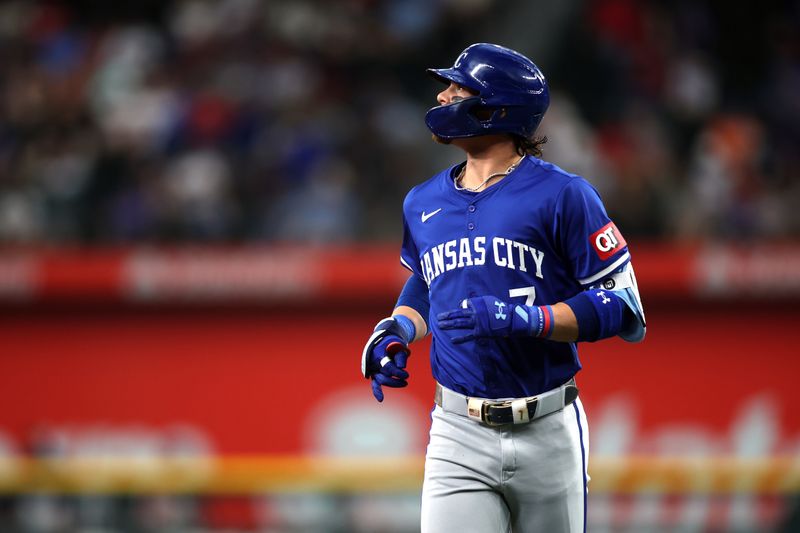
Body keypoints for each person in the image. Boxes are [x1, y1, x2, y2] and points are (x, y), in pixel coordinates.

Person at [360, 43, 646, 533]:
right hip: (457, 428)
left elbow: (621, 305)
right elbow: (428, 282)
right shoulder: (422, 201)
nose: (445, 95)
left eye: (459, 87)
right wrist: (396, 329)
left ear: (496, 107)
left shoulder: (564, 194)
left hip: (547, 425)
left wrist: (529, 321)